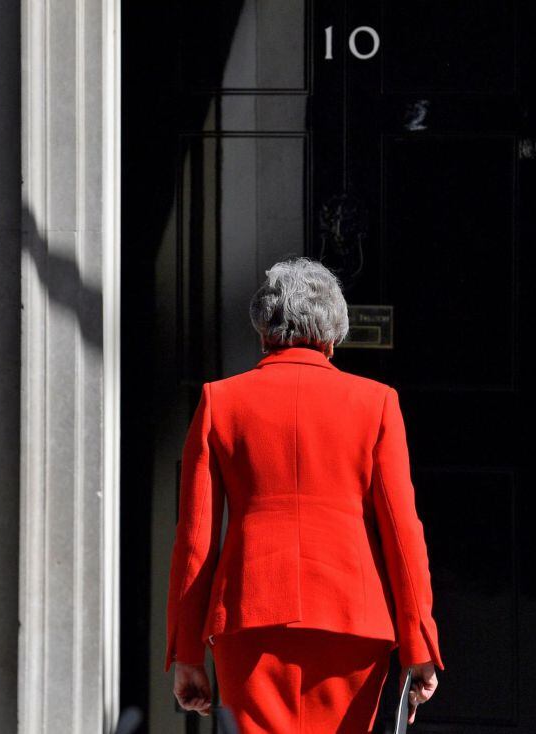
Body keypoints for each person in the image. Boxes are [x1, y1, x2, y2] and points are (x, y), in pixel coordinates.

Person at [164, 256, 444, 732]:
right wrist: (419, 645)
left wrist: (187, 651)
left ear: (263, 330)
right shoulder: (376, 402)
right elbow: (403, 533)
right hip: (352, 620)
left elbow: (195, 541)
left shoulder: (220, 401)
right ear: (334, 334)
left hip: (251, 619)